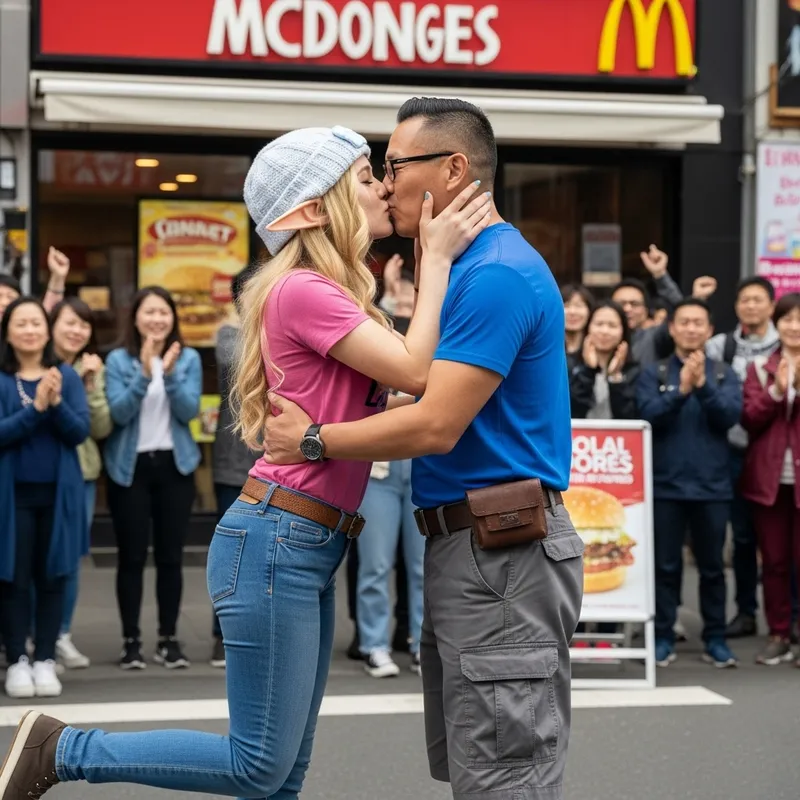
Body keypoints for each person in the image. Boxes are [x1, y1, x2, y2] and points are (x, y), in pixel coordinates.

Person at [0, 125, 491, 800]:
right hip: (278, 541)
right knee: (260, 763)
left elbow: (412, 385)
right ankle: (63, 748)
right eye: (363, 176)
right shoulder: (304, 289)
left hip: (303, 542)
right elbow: (415, 367)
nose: (382, 185)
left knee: (281, 776)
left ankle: (64, 748)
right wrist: (433, 262)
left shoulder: (335, 290)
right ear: (315, 207)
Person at [262, 100, 585, 800]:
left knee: (504, 773)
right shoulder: (471, 268)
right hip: (480, 549)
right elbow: (439, 405)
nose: (383, 184)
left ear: (453, 168)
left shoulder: (495, 272)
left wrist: (313, 438)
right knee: (485, 763)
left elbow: (435, 423)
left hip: (501, 552)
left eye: (393, 166)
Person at [636, 298, 742, 669]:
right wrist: (680, 391)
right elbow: (648, 415)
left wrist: (702, 387)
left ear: (709, 329)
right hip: (665, 486)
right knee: (665, 567)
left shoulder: (724, 373)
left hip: (712, 487)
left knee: (712, 568)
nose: (692, 328)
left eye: (699, 322)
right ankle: (663, 636)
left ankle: (716, 638)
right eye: (685, 322)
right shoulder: (655, 372)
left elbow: (730, 417)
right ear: (673, 328)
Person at [104, 287, 202, 670]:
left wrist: (171, 374)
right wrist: (145, 373)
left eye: (164, 312)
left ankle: (168, 639)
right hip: (130, 469)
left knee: (170, 557)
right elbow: (119, 414)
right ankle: (131, 641)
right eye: (150, 312)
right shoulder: (118, 360)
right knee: (130, 558)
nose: (157, 319)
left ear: (173, 318)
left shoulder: (188, 358)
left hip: (175, 467)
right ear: (135, 318)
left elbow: (190, 410)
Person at [0, 297, 89, 699]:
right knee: (14, 578)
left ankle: (45, 659)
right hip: (12, 496)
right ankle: (18, 658)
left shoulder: (65, 376)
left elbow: (78, 433)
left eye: (36, 322)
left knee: (53, 576)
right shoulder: (3, 379)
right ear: (8, 332)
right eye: (21, 323)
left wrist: (53, 406)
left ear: (47, 330)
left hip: (58, 494)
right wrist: (36, 409)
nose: (30, 330)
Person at [706, 276, 780, 639]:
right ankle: (746, 612)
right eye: (744, 300)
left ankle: (787, 616)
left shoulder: (787, 344)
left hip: (772, 454)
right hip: (730, 452)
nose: (750, 306)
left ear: (771, 305)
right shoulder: (723, 346)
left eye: (757, 300)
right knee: (742, 538)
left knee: (781, 539)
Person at [43, 298, 112, 669]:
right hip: (37, 471)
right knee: (33, 553)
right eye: (69, 322)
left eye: (83, 325)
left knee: (69, 558)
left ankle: (61, 634)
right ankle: (29, 635)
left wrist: (88, 386)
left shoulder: (91, 370)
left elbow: (99, 427)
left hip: (80, 473)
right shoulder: (35, 362)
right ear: (51, 323)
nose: (76, 331)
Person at [740, 292, 800, 666]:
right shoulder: (761, 367)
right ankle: (778, 632)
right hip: (770, 480)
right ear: (777, 324)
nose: (794, 327)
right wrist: (778, 390)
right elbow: (749, 419)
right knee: (775, 561)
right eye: (788, 319)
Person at [208, 267, 260, 669]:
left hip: (277, 462)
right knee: (230, 550)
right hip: (233, 462)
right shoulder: (230, 335)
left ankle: (255, 630)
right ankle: (220, 636)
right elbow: (240, 365)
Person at [568, 300, 639, 421]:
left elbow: (629, 416)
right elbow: (572, 410)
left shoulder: (634, 370)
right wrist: (588, 371)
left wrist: (615, 378)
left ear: (623, 331)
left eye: (612, 326)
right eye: (599, 324)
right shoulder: (569, 364)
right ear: (588, 327)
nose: (605, 331)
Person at [561, 283, 594, 357]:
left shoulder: (598, 348)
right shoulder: (547, 347)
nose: (572, 312)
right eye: (566, 306)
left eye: (579, 306)